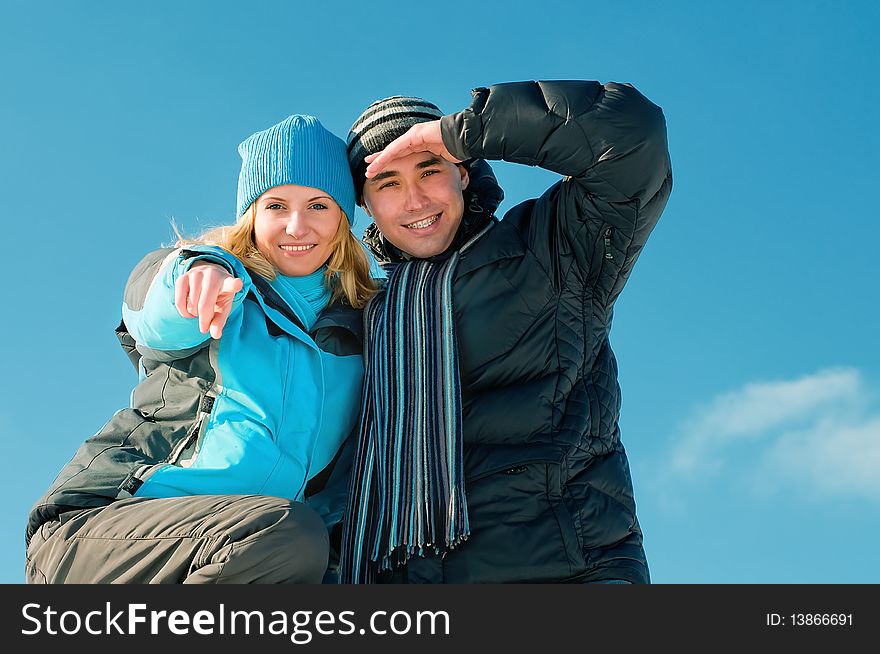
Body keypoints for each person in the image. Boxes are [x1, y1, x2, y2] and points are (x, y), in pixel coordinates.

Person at [339, 81, 672, 583]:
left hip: (567, 570)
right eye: (387, 184)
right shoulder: (367, 311)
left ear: (464, 174)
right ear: (365, 205)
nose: (414, 201)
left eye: (430, 170)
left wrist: (466, 130)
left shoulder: (555, 248)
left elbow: (632, 136)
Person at [25, 114, 376, 584]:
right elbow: (151, 312)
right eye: (276, 205)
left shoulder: (364, 330)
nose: (297, 226)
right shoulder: (219, 285)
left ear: (343, 219)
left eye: (318, 205)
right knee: (288, 534)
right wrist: (196, 275)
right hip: (109, 524)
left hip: (252, 553)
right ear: (252, 214)